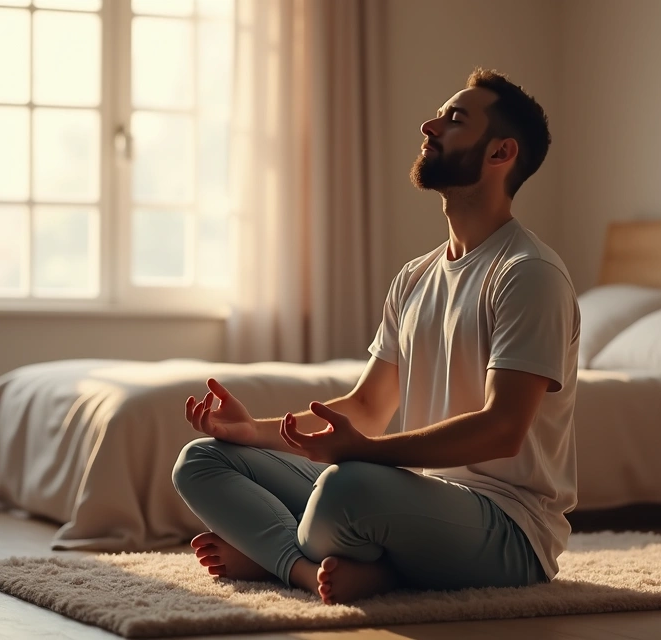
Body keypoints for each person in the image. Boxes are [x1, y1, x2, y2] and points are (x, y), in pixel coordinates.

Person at [172, 67, 579, 606]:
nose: (429, 125)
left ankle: (279, 556)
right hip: (413, 501)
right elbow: (365, 405)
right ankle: (301, 569)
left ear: (500, 153)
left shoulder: (528, 273)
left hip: (508, 529)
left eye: (454, 119)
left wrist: (368, 453)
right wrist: (251, 431)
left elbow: (502, 430)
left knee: (345, 486)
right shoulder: (415, 277)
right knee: (203, 459)